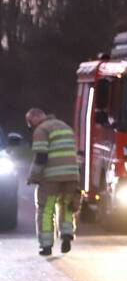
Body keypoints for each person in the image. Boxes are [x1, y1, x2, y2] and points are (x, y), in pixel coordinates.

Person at [25, 108, 81, 256]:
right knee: (67, 205)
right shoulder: (65, 127)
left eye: (30, 122)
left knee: (47, 209)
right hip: (71, 175)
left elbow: (41, 157)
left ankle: (46, 245)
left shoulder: (41, 130)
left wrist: (32, 177)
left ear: (36, 117)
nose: (30, 126)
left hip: (51, 178)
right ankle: (67, 234)